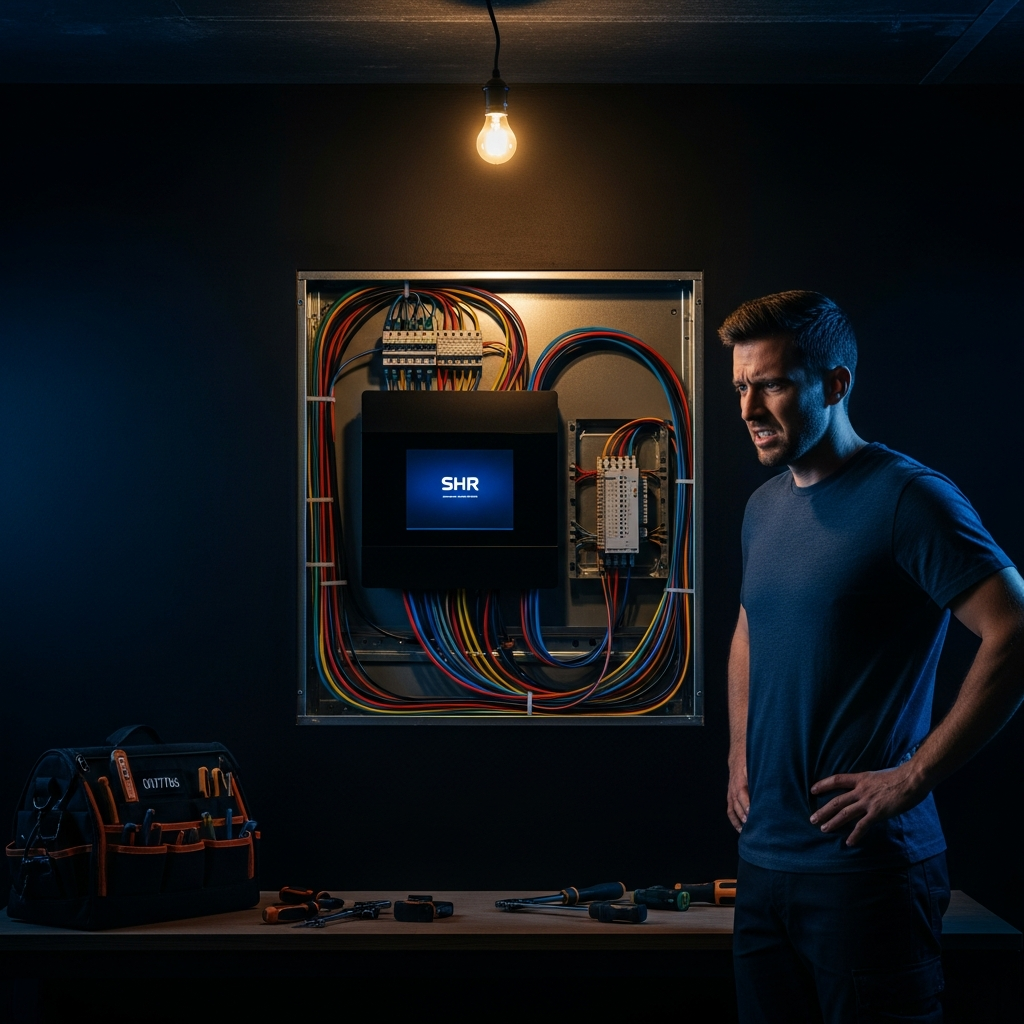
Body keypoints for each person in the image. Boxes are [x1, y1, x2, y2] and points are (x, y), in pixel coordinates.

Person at [720, 290, 1024, 1023]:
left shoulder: (908, 498)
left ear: (835, 384)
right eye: (740, 387)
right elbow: (751, 625)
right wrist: (739, 752)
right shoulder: (763, 507)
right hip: (763, 865)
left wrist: (913, 777)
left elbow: (1016, 629)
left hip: (867, 873)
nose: (750, 409)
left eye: (773, 385)